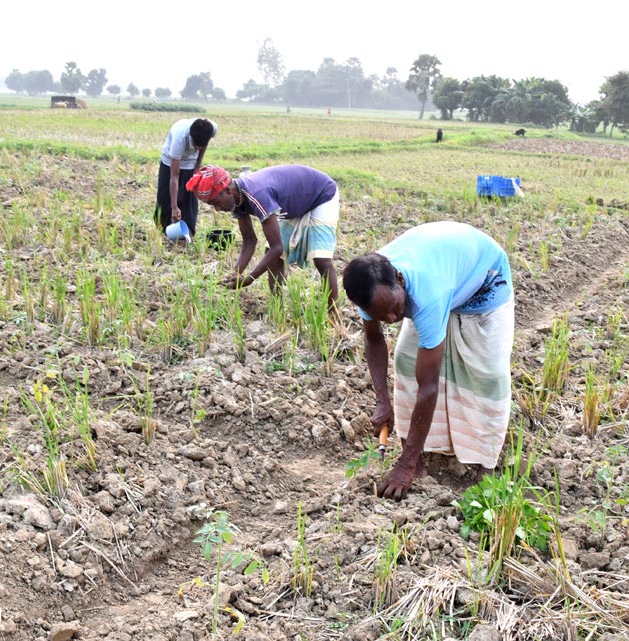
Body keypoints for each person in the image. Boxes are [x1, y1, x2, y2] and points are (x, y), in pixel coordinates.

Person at [342, 222, 514, 501]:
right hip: (446, 271)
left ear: (400, 279)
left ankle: (485, 468)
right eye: (381, 314)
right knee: (406, 363)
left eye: (394, 309)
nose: (390, 319)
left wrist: (403, 466)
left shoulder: (427, 294)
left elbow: (429, 386)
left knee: (486, 376)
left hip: (485, 281)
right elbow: (374, 341)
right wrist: (382, 401)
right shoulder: (369, 288)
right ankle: (417, 457)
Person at [186, 164, 340, 314]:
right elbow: (249, 241)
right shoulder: (238, 199)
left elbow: (277, 247)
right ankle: (277, 309)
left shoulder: (257, 194)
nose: (217, 209)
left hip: (321, 194)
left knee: (321, 259)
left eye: (216, 203)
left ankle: (333, 314)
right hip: (295, 204)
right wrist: (237, 272)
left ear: (227, 190)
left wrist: (250, 278)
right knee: (273, 257)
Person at [155, 118, 218, 238]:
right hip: (170, 162)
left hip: (191, 163)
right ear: (191, 138)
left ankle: (188, 234)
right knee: (165, 200)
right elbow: (174, 176)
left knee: (189, 198)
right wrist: (174, 207)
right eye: (196, 146)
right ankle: (163, 232)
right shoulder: (179, 139)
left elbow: (204, 145)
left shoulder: (211, 128)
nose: (198, 149)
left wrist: (197, 167)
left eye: (201, 146)